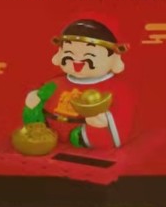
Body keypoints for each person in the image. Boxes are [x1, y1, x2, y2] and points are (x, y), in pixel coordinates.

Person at [21, 18, 131, 150]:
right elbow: (41, 95)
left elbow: (122, 118)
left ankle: (84, 138)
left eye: (89, 54)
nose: (77, 61)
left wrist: (103, 121)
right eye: (69, 53)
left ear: (114, 59)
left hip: (82, 135)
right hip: (49, 133)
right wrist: (35, 98)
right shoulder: (56, 82)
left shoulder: (115, 89)